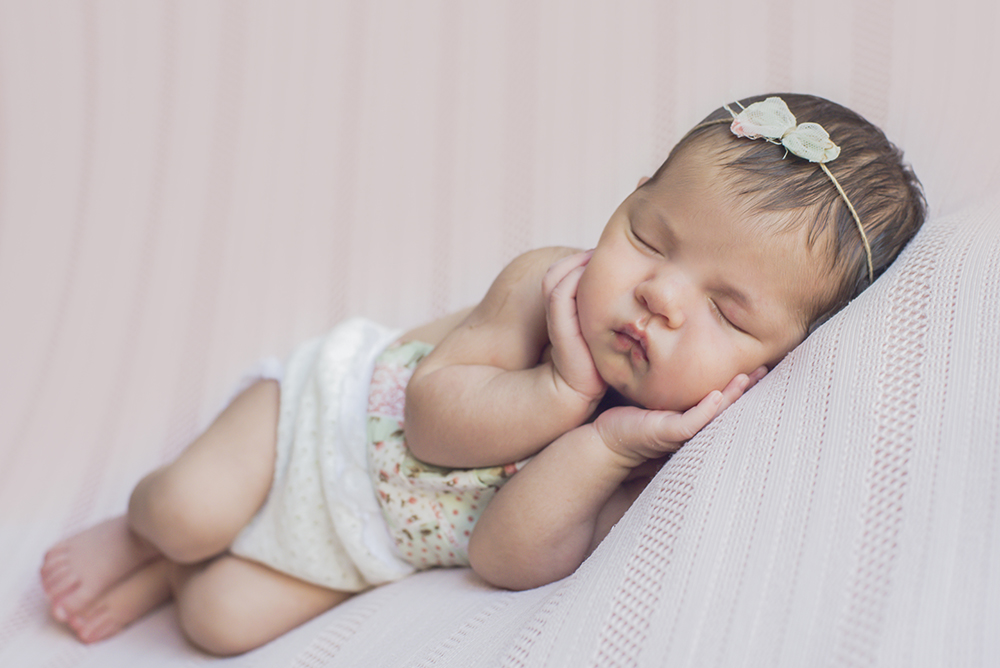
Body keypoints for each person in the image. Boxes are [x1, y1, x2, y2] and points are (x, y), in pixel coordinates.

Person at [39, 93, 926, 655]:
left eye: (728, 313)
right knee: (185, 508)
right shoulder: (550, 286)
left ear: (777, 362)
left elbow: (506, 557)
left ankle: (174, 570)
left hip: (371, 538)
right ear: (630, 196)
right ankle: (144, 532)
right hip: (325, 417)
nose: (657, 294)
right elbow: (431, 421)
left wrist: (607, 445)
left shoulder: (659, 447)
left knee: (217, 624)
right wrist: (562, 393)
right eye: (648, 238)